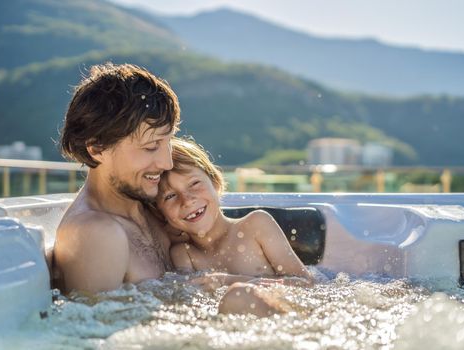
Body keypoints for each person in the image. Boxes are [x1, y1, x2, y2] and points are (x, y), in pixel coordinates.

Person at [53, 62, 184, 294]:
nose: (167, 163)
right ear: (97, 148)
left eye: (168, 142)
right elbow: (95, 328)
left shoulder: (153, 207)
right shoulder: (96, 234)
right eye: (151, 147)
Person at [156, 138, 313, 315]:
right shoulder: (184, 254)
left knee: (238, 296)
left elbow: (306, 284)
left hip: (286, 318)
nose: (187, 200)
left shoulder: (256, 225)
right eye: (170, 196)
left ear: (215, 183)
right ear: (161, 213)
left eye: (194, 184)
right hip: (238, 331)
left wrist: (228, 281)